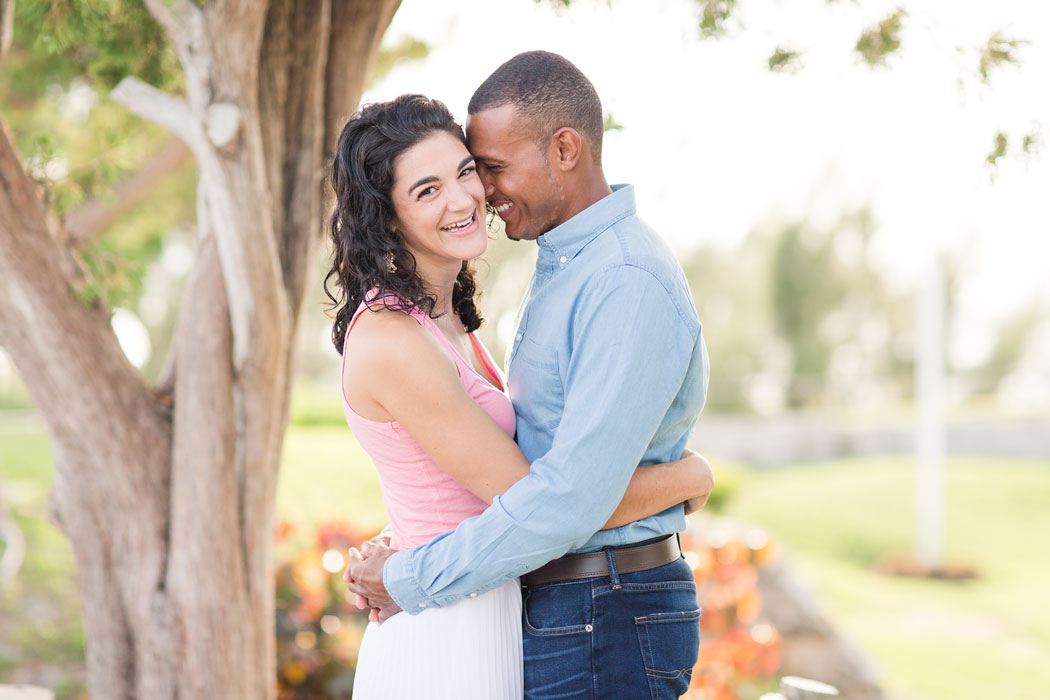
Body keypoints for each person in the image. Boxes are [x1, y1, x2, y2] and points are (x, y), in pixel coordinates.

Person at [345, 52, 711, 700]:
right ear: (388, 214)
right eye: (430, 188)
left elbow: (560, 497)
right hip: (480, 624)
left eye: (477, 170)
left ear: (564, 149)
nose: (474, 195)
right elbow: (545, 490)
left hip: (581, 606)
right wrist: (683, 479)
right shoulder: (415, 328)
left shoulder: (615, 276)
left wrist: (408, 572)